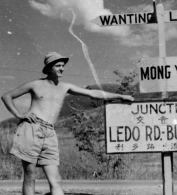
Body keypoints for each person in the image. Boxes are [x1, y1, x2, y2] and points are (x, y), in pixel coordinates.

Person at [1, 52, 134, 195]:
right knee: (30, 176)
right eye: (58, 66)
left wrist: (120, 96)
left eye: (63, 66)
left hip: (50, 133)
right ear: (49, 67)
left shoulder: (65, 86)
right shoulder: (35, 84)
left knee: (56, 180)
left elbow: (93, 93)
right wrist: (19, 114)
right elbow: (6, 96)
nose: (62, 69)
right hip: (31, 129)